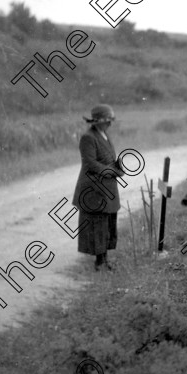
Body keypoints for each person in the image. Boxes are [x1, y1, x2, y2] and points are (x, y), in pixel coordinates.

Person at [72, 104, 124, 271]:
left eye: (110, 120)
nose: (110, 124)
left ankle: (104, 260)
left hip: (107, 187)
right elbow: (90, 162)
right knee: (97, 225)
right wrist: (111, 171)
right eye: (107, 121)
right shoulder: (88, 137)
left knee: (108, 223)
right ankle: (99, 262)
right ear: (97, 122)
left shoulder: (104, 135)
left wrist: (118, 166)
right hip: (93, 188)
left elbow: (108, 158)